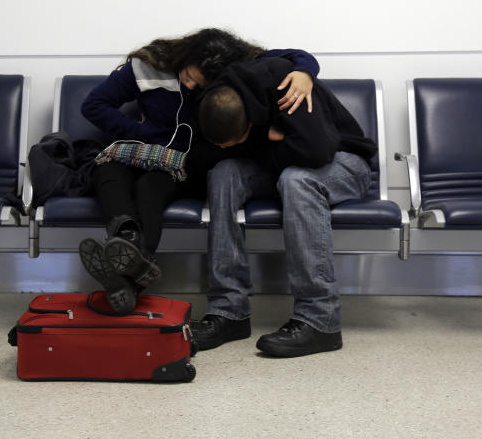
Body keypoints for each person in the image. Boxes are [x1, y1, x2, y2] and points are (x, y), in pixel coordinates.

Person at [78, 29, 320, 313]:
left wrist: (306, 72)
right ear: (184, 56)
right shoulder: (149, 65)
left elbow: (296, 56)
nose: (190, 85)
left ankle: (128, 272)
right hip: (141, 150)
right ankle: (129, 243)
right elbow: (93, 105)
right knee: (107, 171)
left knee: (149, 188)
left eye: (199, 83)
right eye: (189, 76)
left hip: (185, 164)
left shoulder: (232, 71)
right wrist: (141, 133)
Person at [190, 56, 377, 357]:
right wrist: (266, 141)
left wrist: (261, 144)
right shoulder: (215, 96)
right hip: (286, 158)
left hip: (345, 162)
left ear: (249, 122)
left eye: (233, 142)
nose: (227, 148)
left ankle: (320, 319)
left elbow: (316, 153)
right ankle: (229, 311)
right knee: (223, 172)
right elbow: (206, 156)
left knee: (297, 180)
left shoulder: (288, 87)